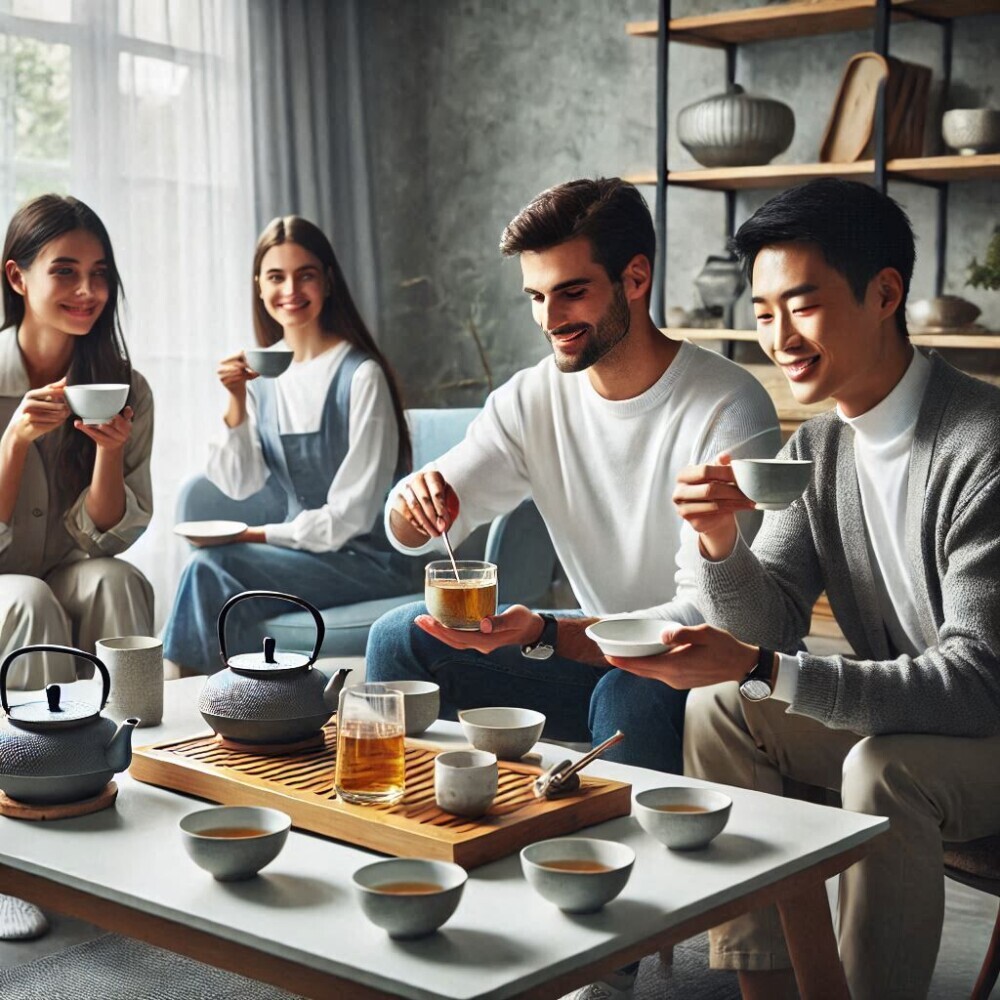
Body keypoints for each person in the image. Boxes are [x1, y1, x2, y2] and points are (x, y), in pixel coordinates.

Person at [611, 178, 1000, 1000]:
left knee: (883, 771)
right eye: (762, 311)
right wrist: (718, 541)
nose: (779, 337)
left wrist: (766, 667)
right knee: (719, 707)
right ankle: (776, 992)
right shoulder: (822, 449)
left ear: (885, 292)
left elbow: (975, 686)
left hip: (986, 730)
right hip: (924, 726)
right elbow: (774, 619)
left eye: (803, 305)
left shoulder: (983, 445)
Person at [366, 177, 780, 778]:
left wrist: (547, 634)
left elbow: (710, 618)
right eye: (536, 296)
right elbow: (413, 529)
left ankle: (634, 866)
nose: (549, 318)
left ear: (635, 279)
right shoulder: (534, 396)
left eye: (571, 292)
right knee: (399, 637)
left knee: (626, 696)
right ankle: (423, 824)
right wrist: (416, 502)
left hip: (692, 665)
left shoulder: (727, 406)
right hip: (592, 651)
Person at [162, 216, 415, 672]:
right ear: (259, 287)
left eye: (306, 275)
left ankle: (177, 691)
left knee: (208, 568)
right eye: (276, 277)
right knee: (219, 585)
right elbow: (240, 484)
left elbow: (350, 519)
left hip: (368, 563)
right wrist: (236, 400)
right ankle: (247, 709)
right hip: (303, 559)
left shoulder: (362, 375)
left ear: (328, 281)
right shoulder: (264, 379)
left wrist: (253, 535)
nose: (290, 290)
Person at [0, 194, 154, 691]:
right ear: (17, 277)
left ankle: (132, 741)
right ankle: (35, 761)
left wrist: (108, 449)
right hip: (13, 591)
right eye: (65, 272)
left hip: (67, 571)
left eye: (100, 273)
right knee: (27, 598)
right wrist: (15, 443)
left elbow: (106, 538)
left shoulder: (127, 387)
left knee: (116, 578)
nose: (88, 290)